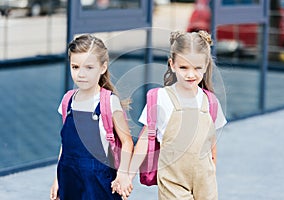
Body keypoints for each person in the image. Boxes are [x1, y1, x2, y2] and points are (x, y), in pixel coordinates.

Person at [125, 30, 227, 199]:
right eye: (183, 67)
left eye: (197, 68)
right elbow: (144, 139)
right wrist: (128, 175)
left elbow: (212, 145)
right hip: (172, 180)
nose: (190, 74)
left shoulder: (210, 101)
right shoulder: (161, 98)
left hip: (205, 181)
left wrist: (212, 173)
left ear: (206, 65)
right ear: (172, 65)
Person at [50, 34, 133, 200]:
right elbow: (64, 144)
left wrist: (123, 174)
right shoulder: (68, 100)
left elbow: (127, 142)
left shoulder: (109, 102)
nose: (81, 74)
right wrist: (57, 179)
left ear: (102, 68)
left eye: (89, 67)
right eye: (75, 67)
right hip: (69, 178)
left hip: (99, 181)